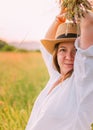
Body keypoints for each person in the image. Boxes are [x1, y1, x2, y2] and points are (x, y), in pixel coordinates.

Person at [26, 5, 93, 130]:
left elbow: (88, 21)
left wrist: (85, 6)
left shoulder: (82, 82)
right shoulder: (57, 76)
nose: (68, 56)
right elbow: (46, 48)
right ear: (56, 54)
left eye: (75, 51)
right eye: (63, 50)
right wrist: (59, 20)